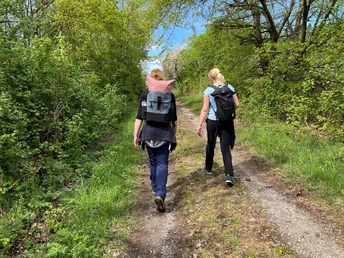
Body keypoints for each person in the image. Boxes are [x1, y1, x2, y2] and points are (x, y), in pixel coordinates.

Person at [133, 69, 177, 212]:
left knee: (152, 161)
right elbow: (174, 121)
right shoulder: (170, 95)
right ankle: (160, 193)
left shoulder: (145, 94)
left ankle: (154, 186)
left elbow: (139, 117)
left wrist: (136, 135)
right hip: (164, 134)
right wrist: (173, 135)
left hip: (148, 133)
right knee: (162, 163)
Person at [197, 68, 239, 186]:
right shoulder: (229, 87)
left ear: (211, 78)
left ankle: (208, 168)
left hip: (212, 121)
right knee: (225, 147)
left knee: (211, 144)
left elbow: (205, 109)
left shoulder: (208, 90)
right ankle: (229, 175)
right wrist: (227, 113)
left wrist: (199, 124)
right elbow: (237, 104)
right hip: (226, 121)